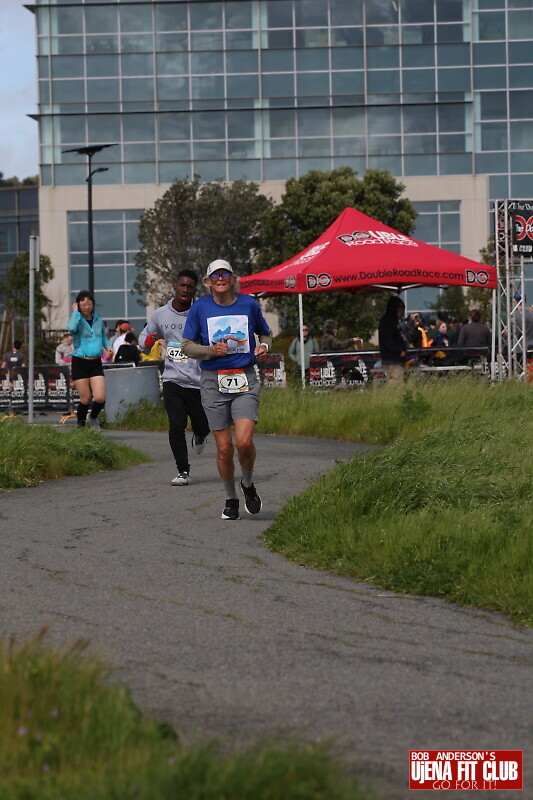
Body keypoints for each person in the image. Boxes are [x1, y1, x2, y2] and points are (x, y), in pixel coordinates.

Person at [182, 259, 271, 520]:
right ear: (208, 282)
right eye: (215, 276)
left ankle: (248, 483)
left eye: (225, 274)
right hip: (213, 381)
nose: (220, 278)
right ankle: (231, 498)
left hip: (244, 377)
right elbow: (186, 346)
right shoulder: (200, 308)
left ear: (232, 279)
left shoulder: (248, 304)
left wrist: (264, 347)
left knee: (244, 442)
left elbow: (265, 334)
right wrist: (211, 350)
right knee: (224, 449)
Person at [138, 269, 210, 487]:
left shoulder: (201, 311)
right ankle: (182, 471)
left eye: (190, 287)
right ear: (175, 286)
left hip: (198, 380)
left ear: (195, 290)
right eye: (182, 285)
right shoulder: (160, 314)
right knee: (176, 426)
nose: (185, 290)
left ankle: (200, 435)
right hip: (173, 379)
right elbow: (143, 340)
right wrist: (147, 342)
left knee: (202, 425)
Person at [66, 290, 113, 428]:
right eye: (83, 304)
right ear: (78, 305)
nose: (87, 307)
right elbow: (71, 328)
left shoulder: (98, 320)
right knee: (85, 398)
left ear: (93, 304)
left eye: (89, 304)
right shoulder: (77, 319)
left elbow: (103, 338)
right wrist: (75, 313)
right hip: (80, 362)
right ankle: (81, 427)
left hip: (96, 362)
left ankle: (92, 417)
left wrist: (108, 347)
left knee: (100, 397)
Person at [378, 295, 407, 380]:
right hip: (392, 359)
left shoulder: (395, 321)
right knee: (395, 382)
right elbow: (388, 341)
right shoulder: (387, 321)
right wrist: (399, 351)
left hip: (397, 359)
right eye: (399, 307)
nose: (401, 310)